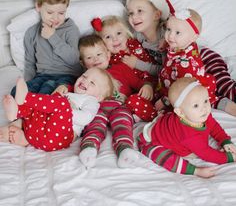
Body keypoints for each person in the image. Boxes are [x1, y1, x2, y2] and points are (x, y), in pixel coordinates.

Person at [126, 0, 236, 115]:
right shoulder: (139, 39)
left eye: (140, 11)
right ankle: (228, 107)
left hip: (203, 57)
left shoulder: (168, 32)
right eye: (130, 13)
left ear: (157, 15)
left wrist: (138, 63)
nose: (134, 16)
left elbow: (181, 27)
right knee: (195, 95)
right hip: (180, 72)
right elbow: (163, 69)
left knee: (224, 85)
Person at [77, 34, 154, 168]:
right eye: (89, 57)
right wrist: (64, 87)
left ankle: (125, 149)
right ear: (83, 63)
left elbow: (138, 83)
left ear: (108, 54)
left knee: (122, 123)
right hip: (96, 108)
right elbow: (76, 88)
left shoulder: (120, 69)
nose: (95, 59)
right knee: (94, 124)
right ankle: (89, 148)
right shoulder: (86, 76)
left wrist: (147, 85)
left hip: (120, 107)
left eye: (99, 54)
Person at [138, 77, 236, 177]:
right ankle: (195, 171)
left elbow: (214, 127)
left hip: (166, 126)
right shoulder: (188, 136)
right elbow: (208, 154)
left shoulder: (201, 114)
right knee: (166, 158)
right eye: (196, 106)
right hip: (153, 141)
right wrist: (229, 157)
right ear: (180, 112)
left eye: (206, 101)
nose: (205, 108)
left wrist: (225, 140)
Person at [1, 67, 115, 151]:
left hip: (58, 137)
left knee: (59, 103)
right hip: (40, 131)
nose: (85, 80)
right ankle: (18, 116)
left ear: (99, 97)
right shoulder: (69, 93)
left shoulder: (91, 101)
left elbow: (86, 118)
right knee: (40, 108)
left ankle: (25, 98)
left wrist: (67, 109)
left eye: (92, 83)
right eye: (84, 76)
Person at [11, 0, 83, 97]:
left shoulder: (70, 29)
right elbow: (30, 63)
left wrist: (52, 37)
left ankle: (37, 111)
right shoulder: (32, 33)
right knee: (17, 91)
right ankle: (24, 109)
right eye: (50, 12)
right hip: (42, 76)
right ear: (38, 7)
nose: (55, 18)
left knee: (48, 87)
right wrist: (29, 83)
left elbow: (73, 59)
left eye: (61, 13)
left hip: (67, 77)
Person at [155, 8, 236, 115]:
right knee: (209, 97)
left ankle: (228, 106)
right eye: (168, 29)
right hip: (185, 84)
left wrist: (165, 101)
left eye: (177, 32)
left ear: (194, 37)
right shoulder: (179, 45)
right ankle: (224, 104)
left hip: (187, 88)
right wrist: (165, 43)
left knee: (214, 93)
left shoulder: (185, 63)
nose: (170, 35)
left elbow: (182, 90)